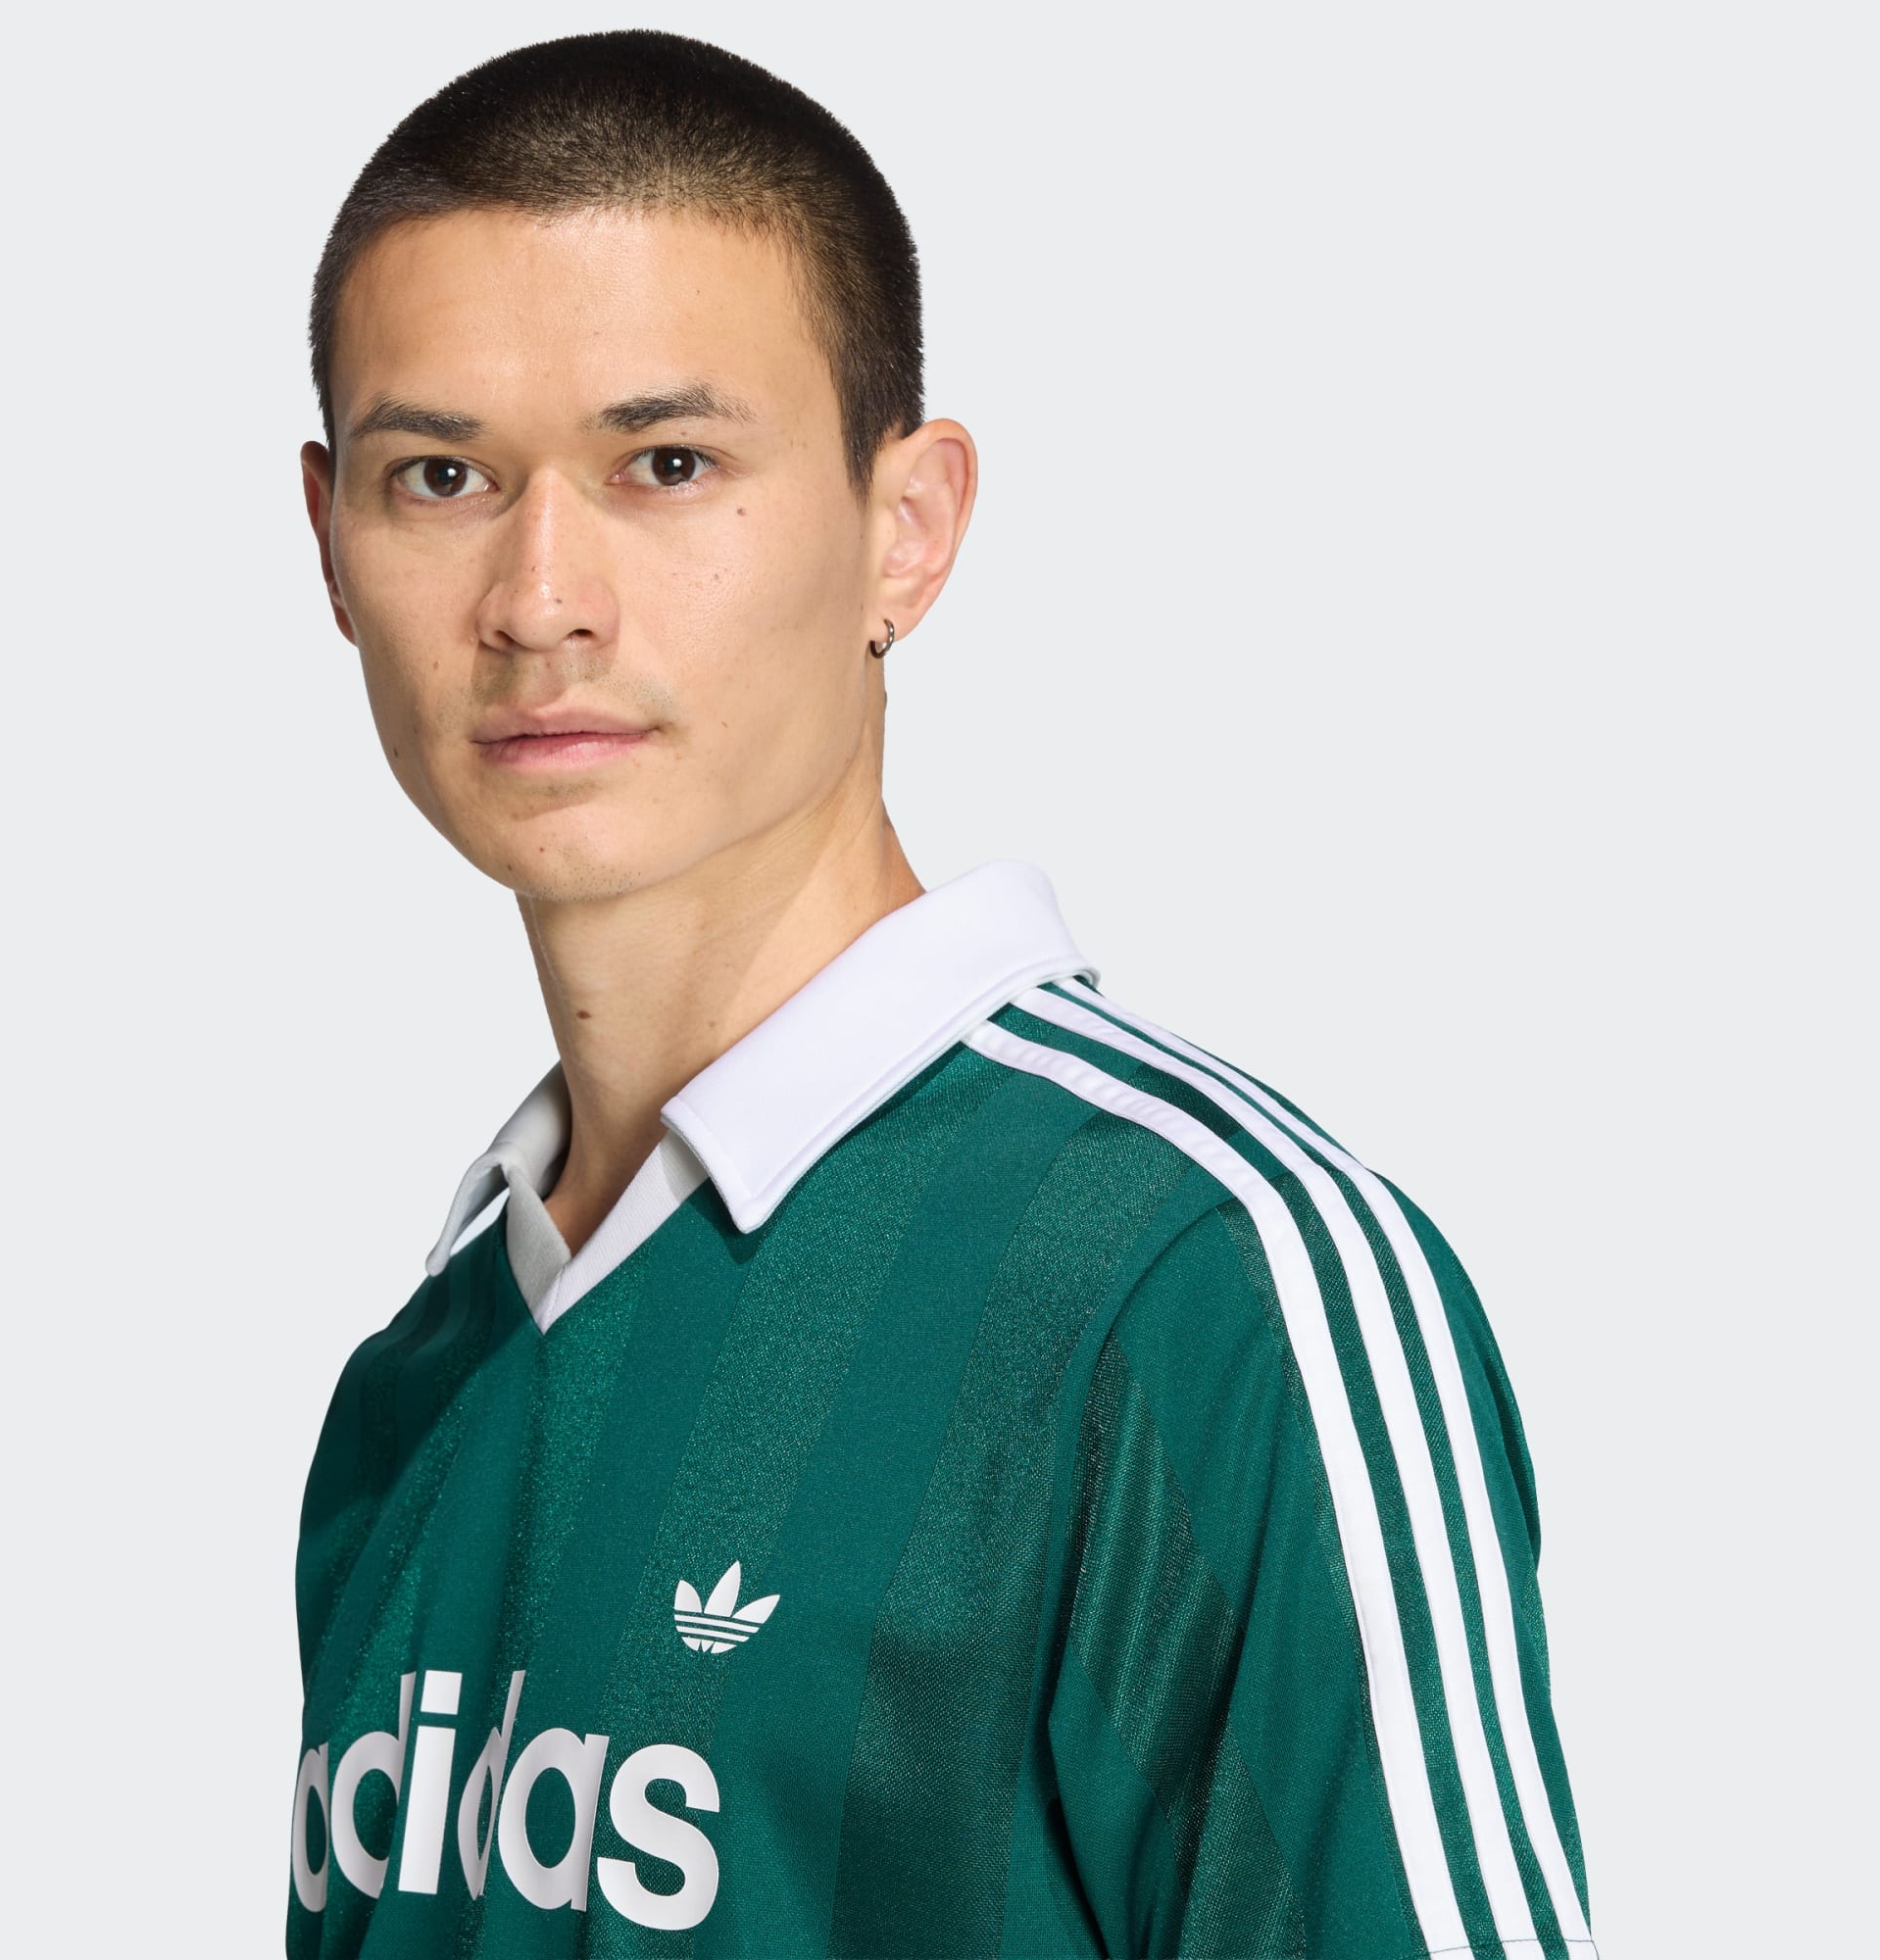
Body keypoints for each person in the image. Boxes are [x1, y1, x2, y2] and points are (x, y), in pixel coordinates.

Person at [288, 28, 1596, 1959]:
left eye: (667, 465)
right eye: (442, 476)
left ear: (907, 527)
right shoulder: (419, 1380)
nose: (540, 596)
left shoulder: (1205, 1286)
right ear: (331, 539)